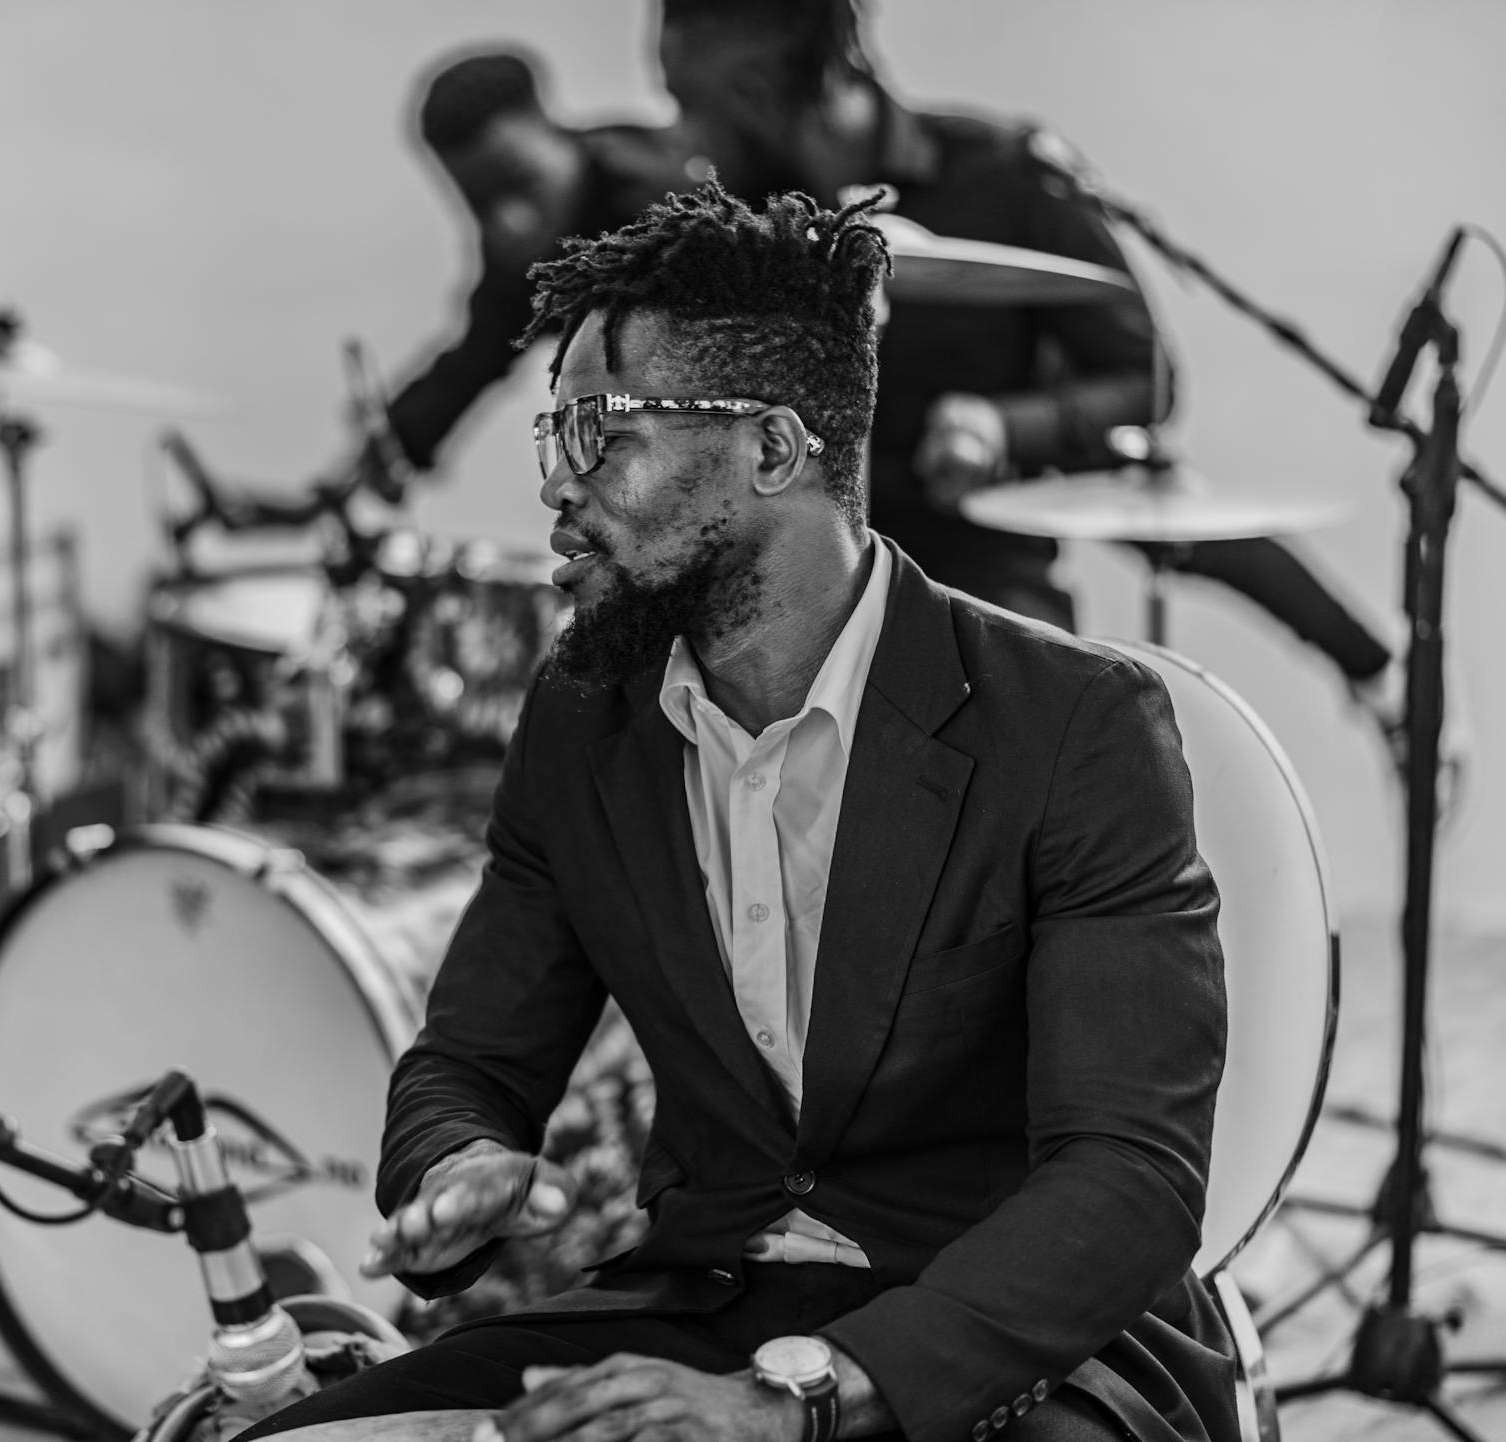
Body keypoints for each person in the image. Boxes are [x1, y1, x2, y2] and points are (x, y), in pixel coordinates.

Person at [240, 182, 1238, 1442]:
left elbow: (1129, 1178)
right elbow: (472, 1059)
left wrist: (798, 1397)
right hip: (705, 1297)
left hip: (1008, 1343)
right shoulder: (584, 714)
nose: (557, 485)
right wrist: (457, 1160)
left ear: (772, 450)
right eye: (554, 435)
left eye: (600, 432)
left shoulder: (1072, 723)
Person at [652, 0, 1423, 760]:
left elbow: (1142, 379)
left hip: (978, 562)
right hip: (796, 566)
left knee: (1030, 727)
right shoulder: (733, 211)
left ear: (756, 89)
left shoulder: (1003, 175)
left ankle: (1382, 672)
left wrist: (1004, 427)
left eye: (688, 102)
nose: (681, 133)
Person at [334, 48, 698, 500]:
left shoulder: (671, 200)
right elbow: (475, 359)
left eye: (519, 181)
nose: (510, 221)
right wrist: (375, 458)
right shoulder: (529, 262)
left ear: (553, 132)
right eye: (477, 202)